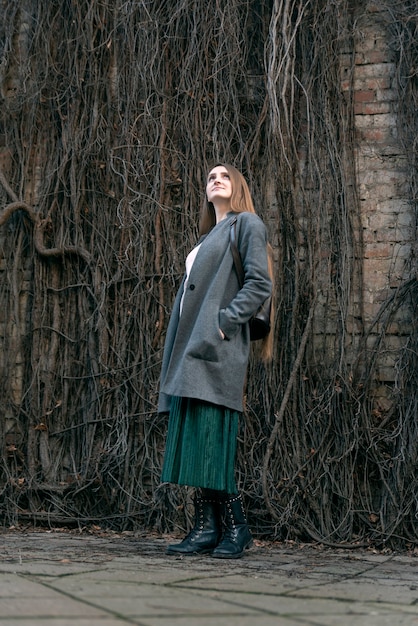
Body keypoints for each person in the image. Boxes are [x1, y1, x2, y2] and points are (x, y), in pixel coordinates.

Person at [158, 163, 273, 559]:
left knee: (211, 437)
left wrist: (223, 324)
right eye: (209, 177)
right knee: (197, 438)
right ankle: (208, 528)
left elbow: (260, 282)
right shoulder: (207, 237)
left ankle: (236, 527)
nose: (216, 180)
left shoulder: (247, 225)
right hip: (192, 351)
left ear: (238, 185)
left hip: (216, 349)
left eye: (224, 176)